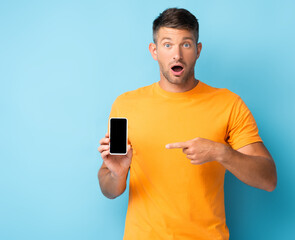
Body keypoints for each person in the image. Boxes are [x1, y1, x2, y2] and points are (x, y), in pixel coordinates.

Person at [97, 7, 277, 240]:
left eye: (186, 44)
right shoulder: (126, 105)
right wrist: (118, 175)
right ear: (154, 50)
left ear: (198, 50)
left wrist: (221, 152)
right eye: (168, 44)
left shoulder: (228, 104)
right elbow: (109, 190)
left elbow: (269, 179)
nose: (177, 55)